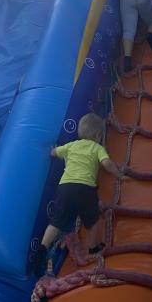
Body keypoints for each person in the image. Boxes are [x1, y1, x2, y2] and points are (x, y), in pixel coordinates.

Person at [32, 112, 123, 276]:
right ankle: (92, 247)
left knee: (56, 222)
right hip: (86, 188)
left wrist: (51, 150)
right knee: (92, 220)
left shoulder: (71, 145)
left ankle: (42, 248)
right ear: (98, 136)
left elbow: (53, 153)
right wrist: (119, 174)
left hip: (65, 188)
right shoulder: (97, 148)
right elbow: (106, 163)